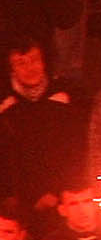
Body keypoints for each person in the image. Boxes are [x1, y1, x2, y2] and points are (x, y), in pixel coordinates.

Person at [0, 41, 90, 215]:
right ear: (12, 69)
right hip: (19, 205)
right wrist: (10, 196)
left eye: (35, 60)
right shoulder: (6, 108)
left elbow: (78, 150)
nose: (30, 68)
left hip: (64, 200)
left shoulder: (67, 99)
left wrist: (57, 192)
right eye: (21, 63)